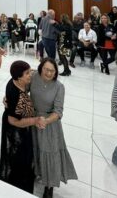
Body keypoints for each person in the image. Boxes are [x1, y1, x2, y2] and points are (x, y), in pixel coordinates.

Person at [30, 58, 77, 197]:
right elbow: (22, 89)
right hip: (32, 120)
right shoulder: (34, 77)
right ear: (41, 68)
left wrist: (45, 121)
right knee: (35, 149)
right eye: (46, 69)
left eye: (52, 71)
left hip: (49, 124)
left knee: (49, 153)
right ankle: (37, 172)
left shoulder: (59, 87)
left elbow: (58, 112)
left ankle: (49, 186)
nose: (49, 73)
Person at [0, 61, 45, 193]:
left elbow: (33, 72)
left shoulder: (16, 81)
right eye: (27, 73)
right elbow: (13, 121)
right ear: (19, 77)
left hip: (21, 123)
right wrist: (35, 120)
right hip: (16, 130)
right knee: (19, 156)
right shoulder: (16, 95)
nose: (30, 75)